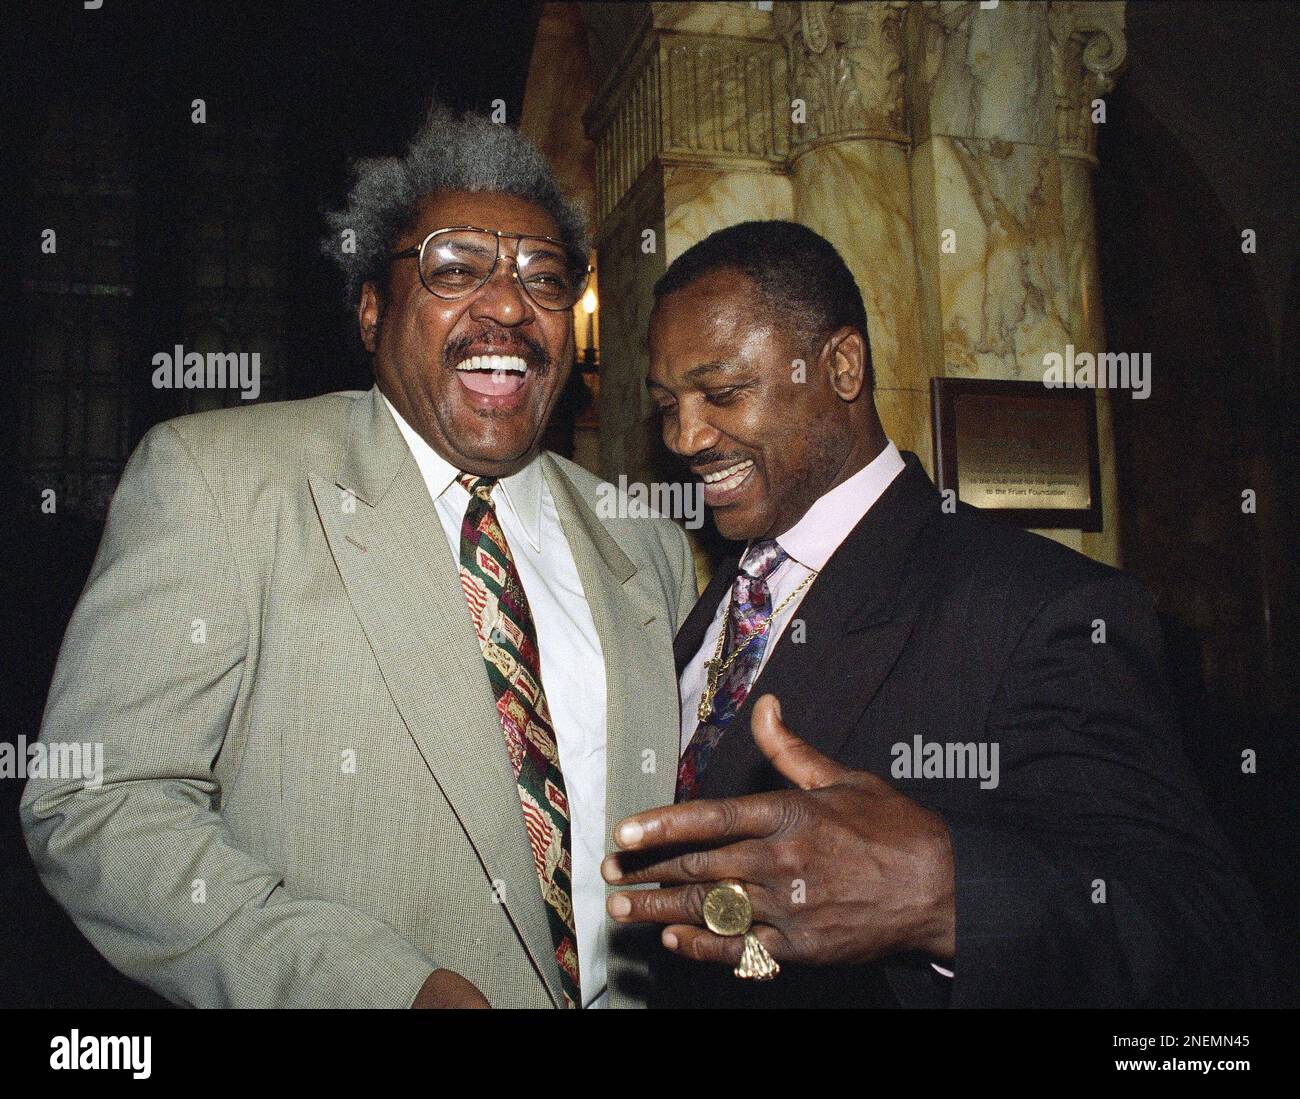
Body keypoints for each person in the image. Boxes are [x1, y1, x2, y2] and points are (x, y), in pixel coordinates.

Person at [20, 105, 696, 1009]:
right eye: (457, 267)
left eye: (544, 278)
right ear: (373, 311)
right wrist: (374, 989)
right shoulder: (219, 482)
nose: (507, 304)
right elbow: (95, 803)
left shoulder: (648, 543)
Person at [603, 219, 1276, 1008]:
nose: (686, 435)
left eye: (722, 393)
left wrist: (944, 895)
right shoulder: (711, 591)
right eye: (666, 404)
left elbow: (1206, 932)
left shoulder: (1042, 608)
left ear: (842, 366)